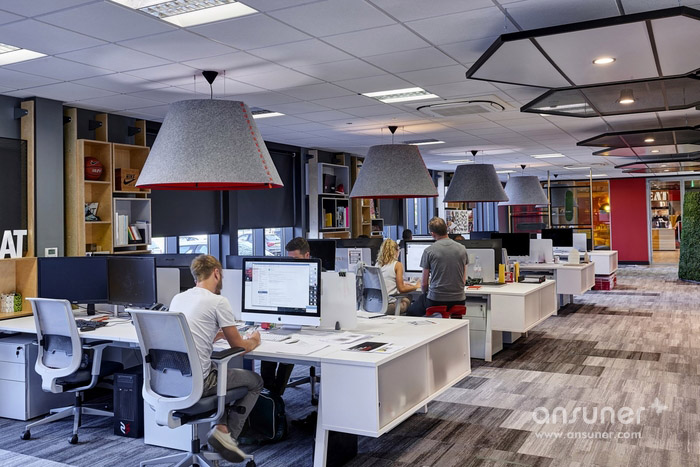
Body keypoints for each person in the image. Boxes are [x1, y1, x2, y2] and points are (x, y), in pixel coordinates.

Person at [169, 255, 262, 463]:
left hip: (172, 381)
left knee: (218, 373)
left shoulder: (178, 298)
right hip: (200, 383)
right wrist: (255, 340)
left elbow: (186, 335)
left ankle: (220, 427)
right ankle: (227, 437)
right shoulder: (218, 301)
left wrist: (213, 334)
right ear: (217, 273)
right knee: (255, 381)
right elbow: (239, 347)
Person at [259, 237, 309, 396]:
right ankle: (269, 394)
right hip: (283, 320)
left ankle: (276, 394)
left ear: (307, 256)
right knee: (268, 349)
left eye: (296, 259)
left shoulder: (317, 275)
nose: (291, 263)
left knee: (288, 351)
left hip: (308, 324)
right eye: (289, 259)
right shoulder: (283, 274)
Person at [406, 217, 468, 317]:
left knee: (411, 312)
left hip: (436, 300)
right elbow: (463, 279)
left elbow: (424, 283)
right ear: (446, 228)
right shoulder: (462, 249)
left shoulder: (429, 251)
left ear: (432, 234)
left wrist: (425, 293)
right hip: (459, 300)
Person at [375, 238, 420, 314]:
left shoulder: (377, 265)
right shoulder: (397, 265)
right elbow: (401, 289)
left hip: (377, 305)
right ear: (396, 251)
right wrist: (416, 286)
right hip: (390, 306)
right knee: (409, 297)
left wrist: (400, 283)